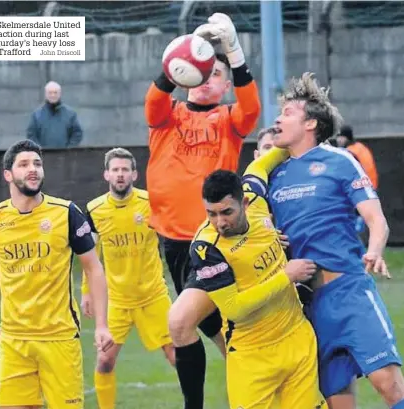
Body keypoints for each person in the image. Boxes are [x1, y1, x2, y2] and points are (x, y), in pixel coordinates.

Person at [268, 72, 404, 409]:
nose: (277, 119)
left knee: (389, 385)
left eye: (288, 113)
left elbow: (377, 220)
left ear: (311, 124)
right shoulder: (274, 175)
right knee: (338, 403)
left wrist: (374, 251)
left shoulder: (339, 161)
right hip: (310, 305)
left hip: (350, 293)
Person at [145, 12, 261, 409]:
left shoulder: (230, 118)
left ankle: (196, 404)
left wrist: (233, 51)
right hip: (173, 241)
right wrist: (181, 57)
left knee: (181, 322)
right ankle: (262, 379)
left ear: (226, 85)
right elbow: (153, 103)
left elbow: (252, 106)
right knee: (217, 326)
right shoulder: (169, 114)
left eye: (216, 74)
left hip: (211, 239)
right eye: (204, 71)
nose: (209, 77)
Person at [168, 146, 328, 409]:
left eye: (226, 212)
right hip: (252, 357)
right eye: (211, 213)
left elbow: (260, 167)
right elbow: (234, 309)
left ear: (244, 202)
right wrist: (286, 275)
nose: (219, 222)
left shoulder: (256, 199)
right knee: (179, 319)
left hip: (296, 339)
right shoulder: (207, 248)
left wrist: (291, 143)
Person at [0, 139, 113, 409]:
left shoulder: (67, 213)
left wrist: (101, 324)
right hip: (14, 341)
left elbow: (93, 268)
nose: (33, 169)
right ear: (8, 174)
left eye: (37, 164)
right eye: (24, 164)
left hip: (59, 339)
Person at [80, 147, 175, 409]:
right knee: (104, 361)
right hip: (117, 301)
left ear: (134, 174)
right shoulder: (94, 209)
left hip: (153, 296)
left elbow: (173, 233)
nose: (120, 174)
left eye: (125, 170)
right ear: (106, 175)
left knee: (178, 356)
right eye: (115, 170)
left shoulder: (151, 203)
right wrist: (87, 291)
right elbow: (91, 256)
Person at [27, 81, 83, 148]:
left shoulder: (70, 114)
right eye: (50, 93)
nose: (53, 95)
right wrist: (39, 150)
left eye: (55, 92)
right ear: (46, 94)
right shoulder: (36, 115)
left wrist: (69, 149)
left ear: (60, 94)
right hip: (43, 155)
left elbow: (77, 133)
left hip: (66, 156)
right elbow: (31, 135)